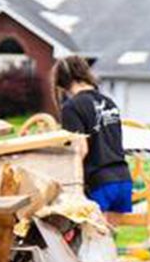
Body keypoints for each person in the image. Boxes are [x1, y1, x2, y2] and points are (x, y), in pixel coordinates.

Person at [53, 56, 131, 227]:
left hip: (99, 182)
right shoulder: (109, 102)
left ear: (61, 83)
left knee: (92, 244)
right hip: (123, 179)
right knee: (107, 243)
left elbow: (80, 149)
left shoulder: (72, 107)